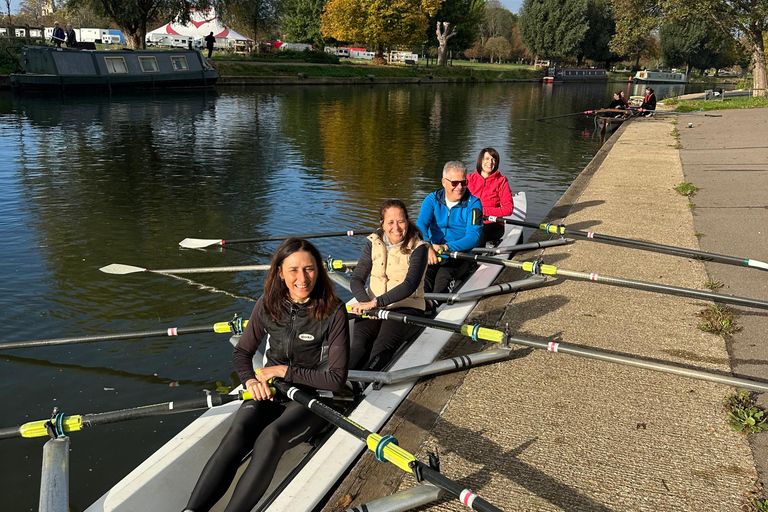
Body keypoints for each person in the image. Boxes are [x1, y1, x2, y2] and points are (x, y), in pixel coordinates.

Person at [183, 238, 349, 512]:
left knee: (271, 436)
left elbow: (336, 379)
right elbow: (242, 353)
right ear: (280, 272)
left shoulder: (333, 310)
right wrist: (250, 380)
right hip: (271, 390)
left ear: (318, 270)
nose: (302, 278)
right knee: (238, 431)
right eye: (293, 270)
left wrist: (286, 371)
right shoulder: (267, 304)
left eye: (309, 269)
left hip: (312, 396)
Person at [348, 200, 429, 371]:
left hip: (406, 306)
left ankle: (361, 383)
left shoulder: (419, 248)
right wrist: (365, 303)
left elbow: (410, 285)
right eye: (390, 222)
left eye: (401, 221)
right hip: (372, 305)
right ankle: (341, 382)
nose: (396, 228)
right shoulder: (373, 242)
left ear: (407, 221)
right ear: (382, 224)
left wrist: (375, 303)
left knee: (382, 345)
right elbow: (356, 279)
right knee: (359, 345)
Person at [417, 161, 483, 294]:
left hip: (460, 254)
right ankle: (419, 305)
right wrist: (426, 245)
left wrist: (446, 247)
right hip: (434, 251)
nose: (459, 187)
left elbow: (474, 237)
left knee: (444, 275)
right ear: (444, 182)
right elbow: (421, 224)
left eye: (463, 182)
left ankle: (435, 303)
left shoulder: (474, 204)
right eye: (454, 183)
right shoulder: (432, 200)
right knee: (423, 277)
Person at [467, 147, 514, 247]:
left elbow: (508, 209)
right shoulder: (469, 179)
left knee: (479, 232)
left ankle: (475, 261)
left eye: (493, 159)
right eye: (487, 159)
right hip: (470, 221)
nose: (490, 162)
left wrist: (483, 211)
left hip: (493, 224)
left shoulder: (501, 181)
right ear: (481, 160)